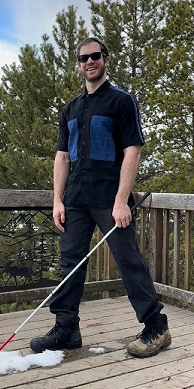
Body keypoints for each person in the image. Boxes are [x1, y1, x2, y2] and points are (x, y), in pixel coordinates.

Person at [30, 37, 171, 358]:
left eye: (95, 56)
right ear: (78, 64)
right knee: (70, 264)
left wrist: (122, 200)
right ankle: (66, 330)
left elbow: (132, 150)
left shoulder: (121, 101)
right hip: (75, 200)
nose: (89, 62)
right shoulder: (71, 108)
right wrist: (57, 200)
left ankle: (156, 327)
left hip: (111, 199)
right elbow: (62, 158)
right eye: (83, 58)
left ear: (106, 60)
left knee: (128, 260)